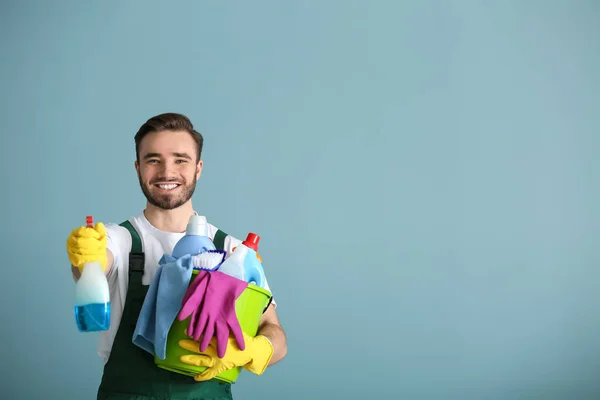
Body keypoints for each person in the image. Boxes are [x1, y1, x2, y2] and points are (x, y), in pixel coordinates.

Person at [66, 113, 287, 399]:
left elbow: (274, 332)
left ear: (198, 168)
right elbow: (91, 267)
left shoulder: (233, 251)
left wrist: (253, 350)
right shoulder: (116, 239)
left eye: (180, 160)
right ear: (138, 168)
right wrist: (86, 257)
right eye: (153, 160)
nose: (166, 172)